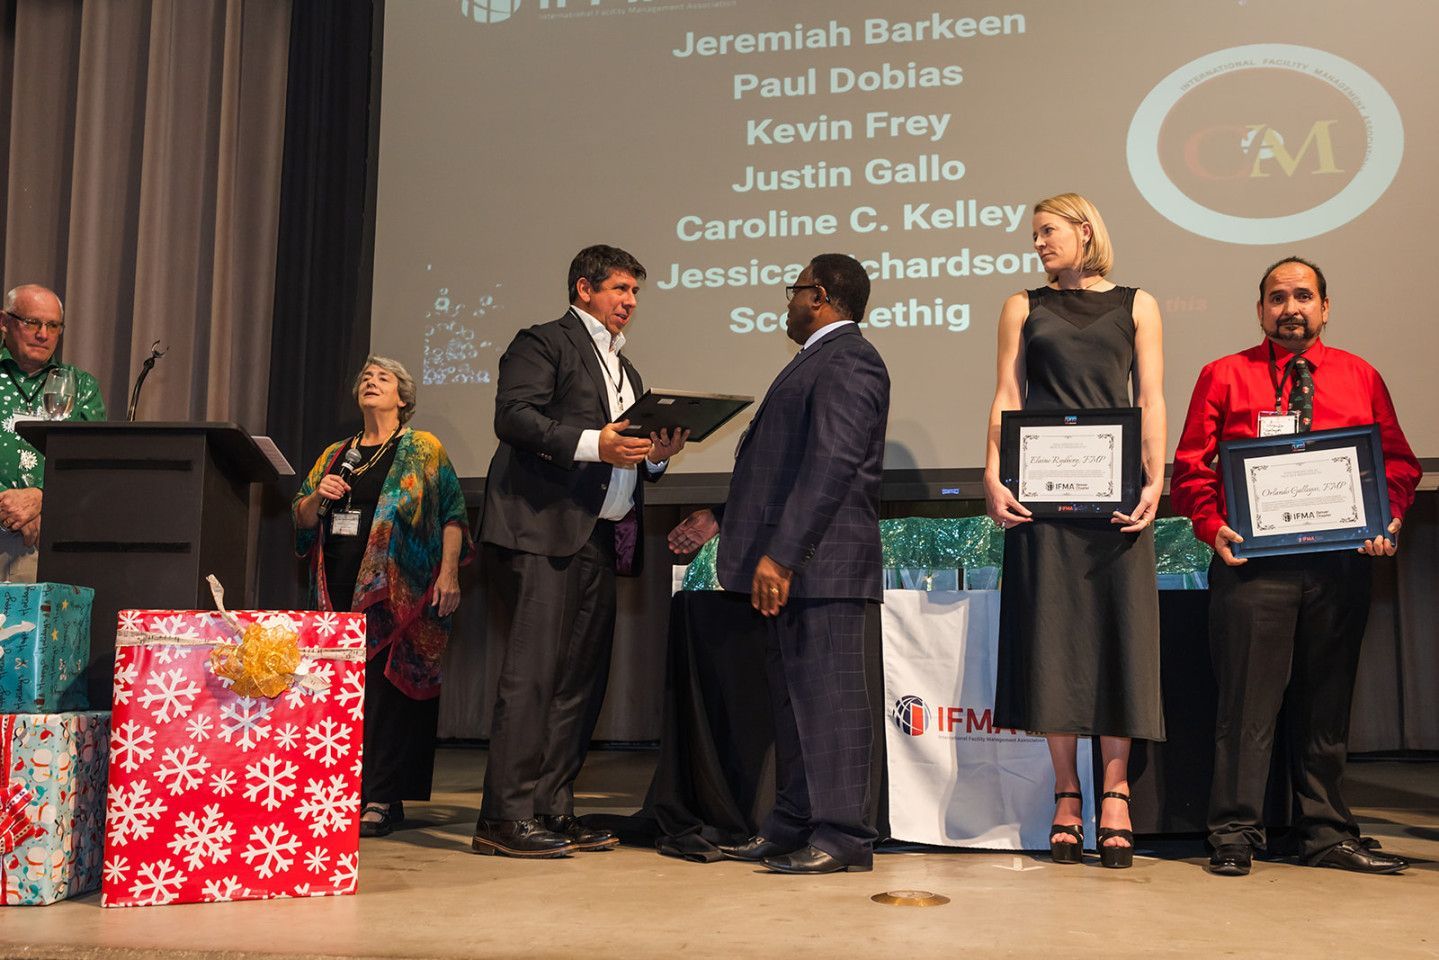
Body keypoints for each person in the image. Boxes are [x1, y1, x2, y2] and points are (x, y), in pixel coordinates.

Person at [1171, 257, 1420, 877]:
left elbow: (1397, 464)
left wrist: (1385, 519)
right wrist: (1212, 526)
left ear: (1325, 308)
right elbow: (1192, 469)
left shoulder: (1361, 375)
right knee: (1246, 708)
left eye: (1303, 296)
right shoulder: (1223, 376)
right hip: (1253, 566)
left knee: (1327, 709)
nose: (1291, 308)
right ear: (1260, 311)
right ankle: (1233, 832)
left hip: (1340, 567)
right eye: (1277, 298)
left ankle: (1327, 833)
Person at [668, 253, 890, 875]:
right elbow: (781, 469)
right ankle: (793, 823)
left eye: (793, 291)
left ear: (818, 295)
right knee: (796, 705)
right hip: (796, 569)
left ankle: (845, 837)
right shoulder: (817, 360)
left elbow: (830, 467)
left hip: (820, 569)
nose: (786, 302)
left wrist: (783, 556)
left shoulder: (849, 359)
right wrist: (721, 517)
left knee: (832, 703)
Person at [473, 245, 688, 858]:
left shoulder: (630, 371)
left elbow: (632, 453)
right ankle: (502, 818)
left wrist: (660, 451)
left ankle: (550, 807)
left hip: (598, 536)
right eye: (620, 289)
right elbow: (514, 417)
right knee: (532, 677)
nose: (630, 302)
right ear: (584, 288)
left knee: (578, 685)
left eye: (636, 293)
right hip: (541, 531)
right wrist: (597, 443)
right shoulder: (543, 342)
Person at [982, 193, 1166, 869]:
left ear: (1084, 232)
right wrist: (991, 474)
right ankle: (1066, 791)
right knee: (1051, 640)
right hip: (1042, 498)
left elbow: (1149, 395)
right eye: (1033, 235)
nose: (1037, 244)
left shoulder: (1135, 304)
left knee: (1118, 635)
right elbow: (1006, 393)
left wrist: (1153, 479)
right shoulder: (1021, 305)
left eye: (1047, 232)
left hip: (1112, 496)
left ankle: (1113, 791)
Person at [293, 356, 470, 838]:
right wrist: (316, 499)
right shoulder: (336, 453)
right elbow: (303, 518)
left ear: (403, 398)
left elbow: (453, 513)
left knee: (388, 694)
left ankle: (382, 798)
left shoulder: (422, 448)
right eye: (366, 377)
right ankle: (343, 792)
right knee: (343, 694)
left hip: (403, 591)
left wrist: (449, 574)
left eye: (384, 378)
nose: (371, 382)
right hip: (338, 587)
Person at [0, 284, 106, 582]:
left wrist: (41, 499)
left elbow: (93, 470)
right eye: (32, 322)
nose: (43, 334)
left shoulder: (82, 387)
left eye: (53, 325)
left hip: (50, 543)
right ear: (4, 322)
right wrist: (9, 511)